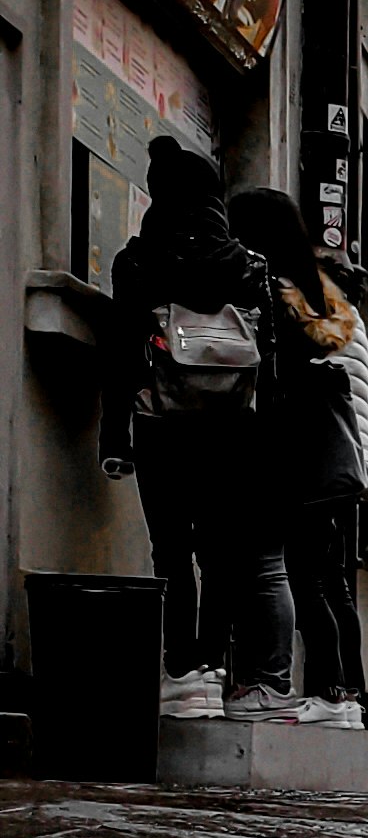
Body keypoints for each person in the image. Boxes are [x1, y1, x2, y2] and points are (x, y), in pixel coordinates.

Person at [100, 141, 273, 720]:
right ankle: (213, 669)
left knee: (170, 548)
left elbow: (121, 356)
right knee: (221, 550)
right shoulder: (251, 268)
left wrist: (113, 440)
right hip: (234, 431)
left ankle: (180, 672)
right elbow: (270, 364)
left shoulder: (139, 261)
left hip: (160, 424)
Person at [231, 190, 368, 728]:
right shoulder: (327, 297)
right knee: (326, 581)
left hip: (302, 457)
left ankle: (330, 694)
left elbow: (282, 379)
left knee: (302, 576)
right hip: (338, 461)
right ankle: (345, 697)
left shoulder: (275, 294)